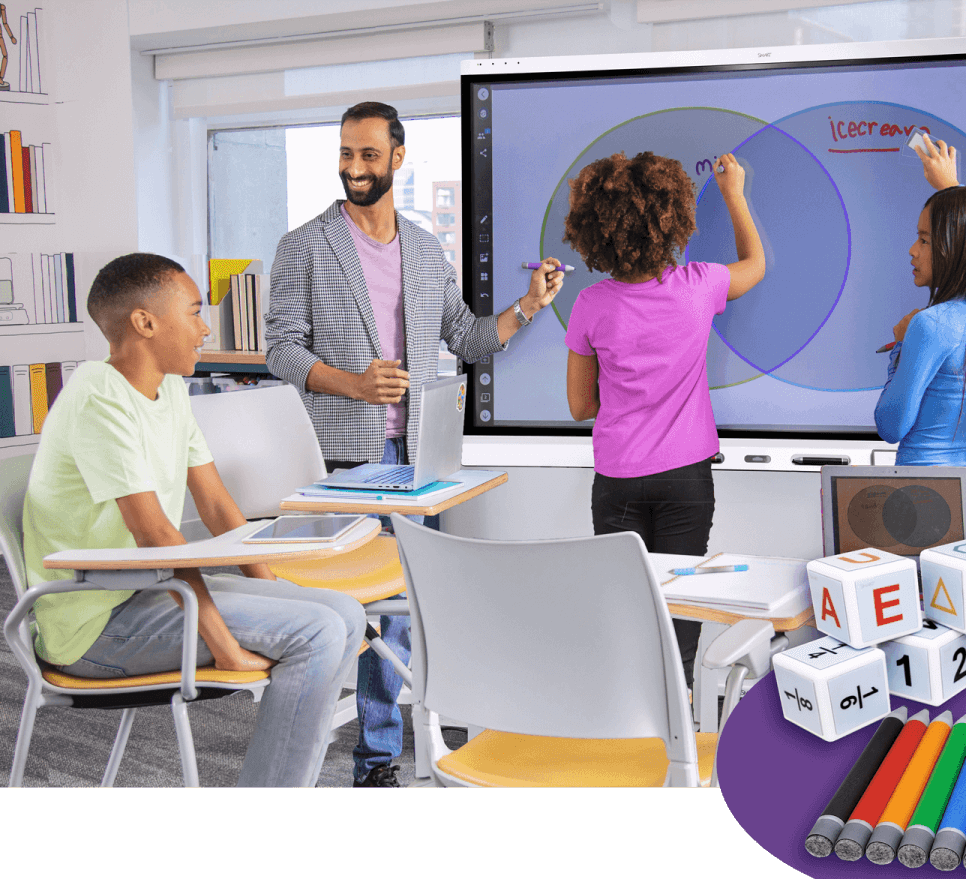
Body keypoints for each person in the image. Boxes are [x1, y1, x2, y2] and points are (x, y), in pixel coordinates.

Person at [266, 100, 563, 787]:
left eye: (368, 155)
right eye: (346, 154)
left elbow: (464, 338)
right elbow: (279, 348)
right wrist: (352, 384)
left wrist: (528, 306)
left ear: (398, 157)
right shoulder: (305, 245)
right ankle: (355, 754)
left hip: (419, 459)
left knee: (403, 610)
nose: (354, 168)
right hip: (345, 456)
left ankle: (378, 758)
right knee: (358, 608)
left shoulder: (426, 247)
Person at [22, 253, 367, 787]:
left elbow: (217, 506)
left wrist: (273, 589)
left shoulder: (171, 390)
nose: (205, 328)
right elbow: (157, 536)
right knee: (318, 633)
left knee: (343, 612)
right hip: (93, 627)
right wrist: (223, 644)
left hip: (145, 596)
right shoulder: (98, 395)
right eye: (194, 312)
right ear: (145, 322)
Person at [563, 151, 765, 688]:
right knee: (680, 620)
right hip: (687, 482)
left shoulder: (589, 305)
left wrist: (628, 393)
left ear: (593, 230)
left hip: (617, 481)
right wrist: (733, 195)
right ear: (671, 219)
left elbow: (581, 407)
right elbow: (755, 265)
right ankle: (680, 748)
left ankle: (630, 740)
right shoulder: (699, 285)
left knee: (629, 616)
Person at [874, 136, 966, 543]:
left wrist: (902, 345)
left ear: (952, 247)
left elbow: (890, 424)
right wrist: (950, 189)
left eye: (924, 239)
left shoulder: (930, 325)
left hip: (926, 502)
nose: (912, 250)